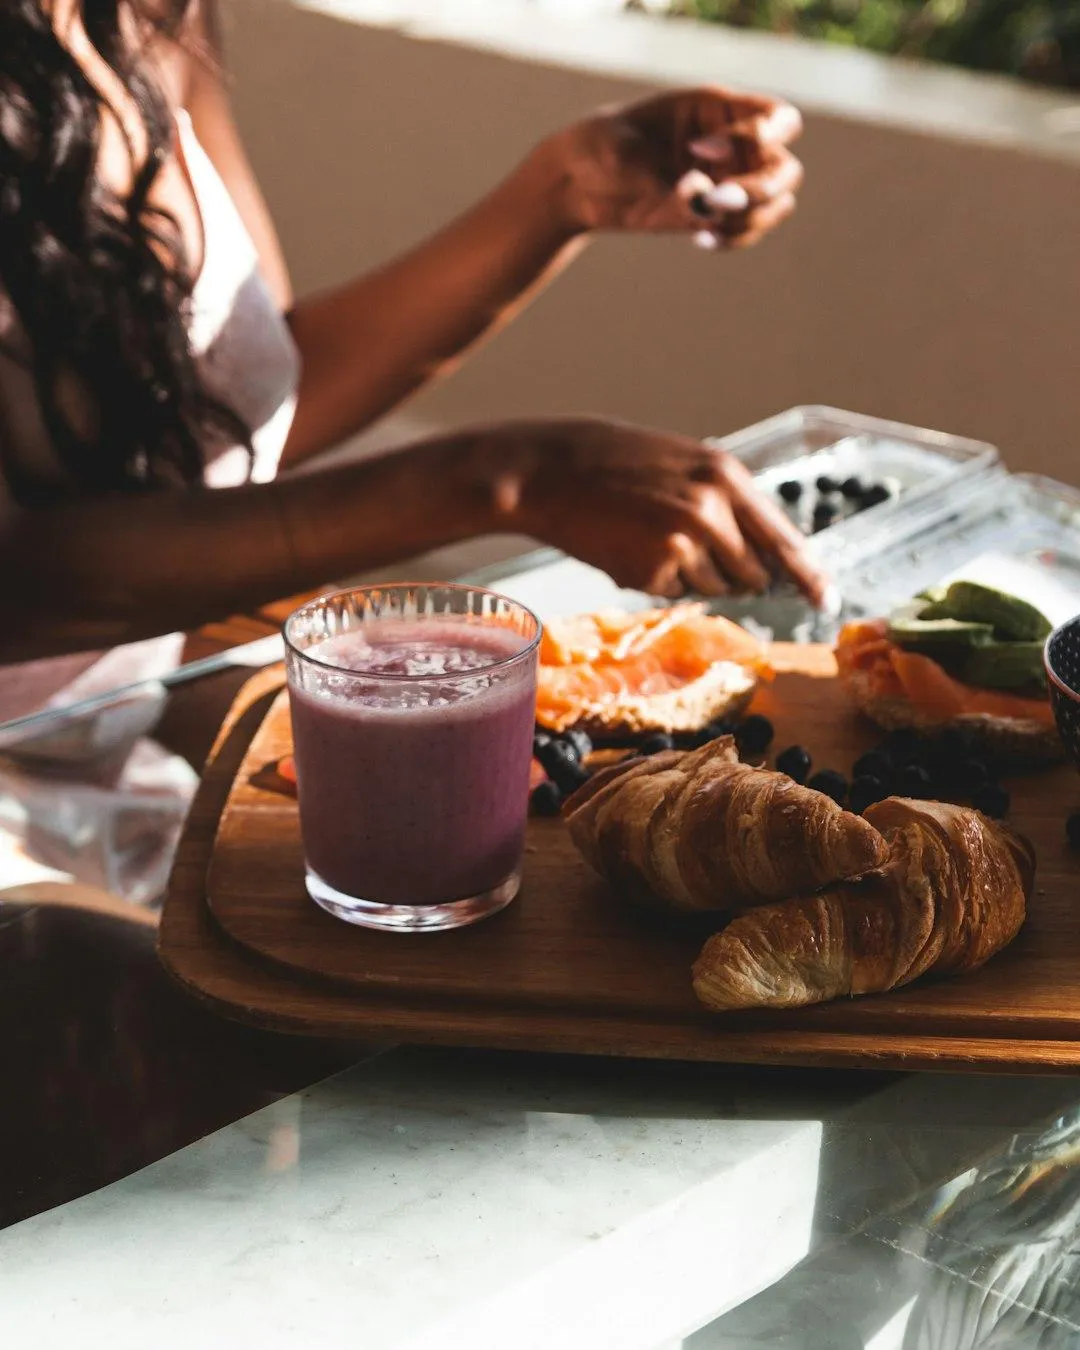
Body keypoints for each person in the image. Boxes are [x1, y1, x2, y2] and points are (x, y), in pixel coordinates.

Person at [0, 0, 822, 896]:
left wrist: (564, 192)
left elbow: (231, 412)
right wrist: (503, 477)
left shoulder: (146, 16)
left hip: (103, 763)